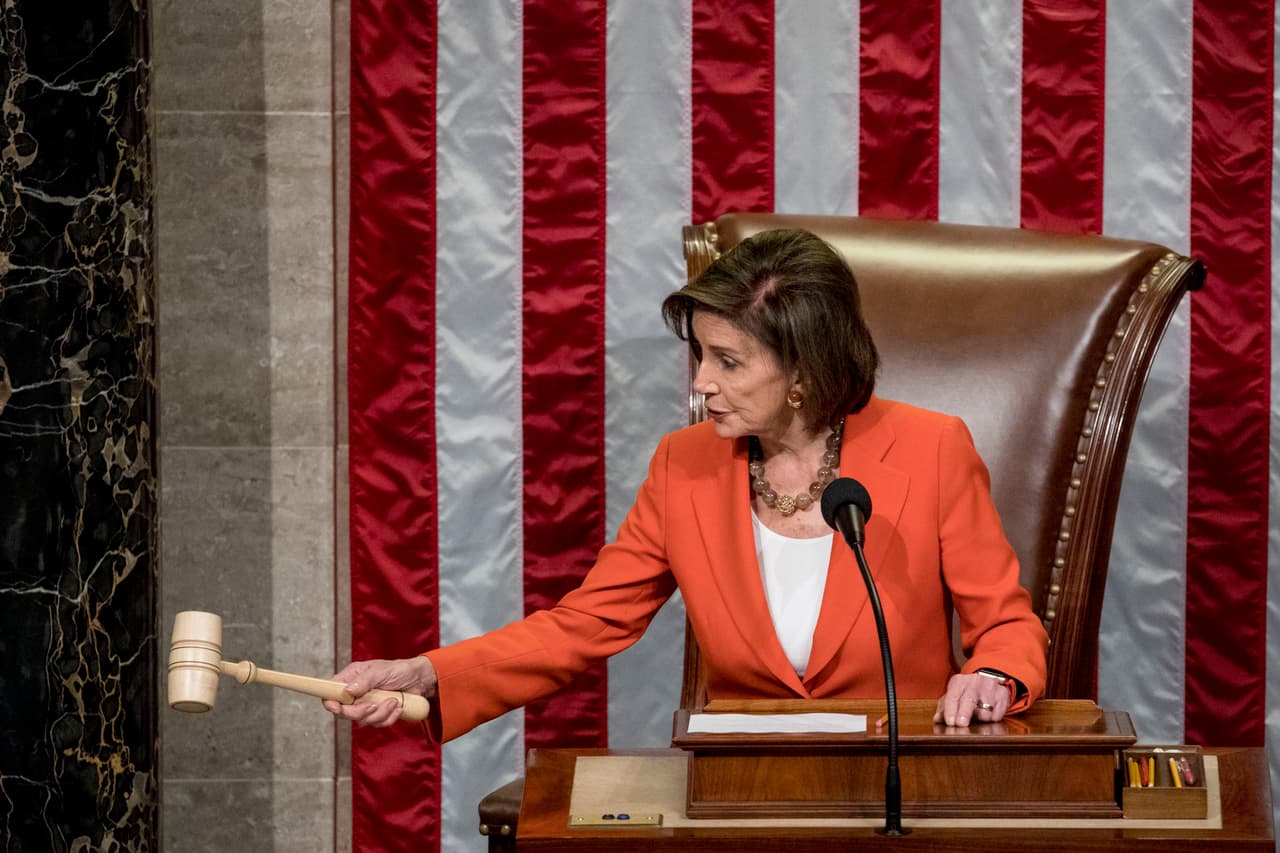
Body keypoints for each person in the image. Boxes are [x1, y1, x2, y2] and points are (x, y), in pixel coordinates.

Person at [326, 228, 1049, 737]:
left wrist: (991, 675)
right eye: (700, 355)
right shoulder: (684, 466)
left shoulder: (931, 448)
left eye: (728, 361)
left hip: (902, 785)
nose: (702, 384)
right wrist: (427, 672)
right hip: (742, 796)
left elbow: (1007, 626)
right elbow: (585, 625)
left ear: (802, 371)